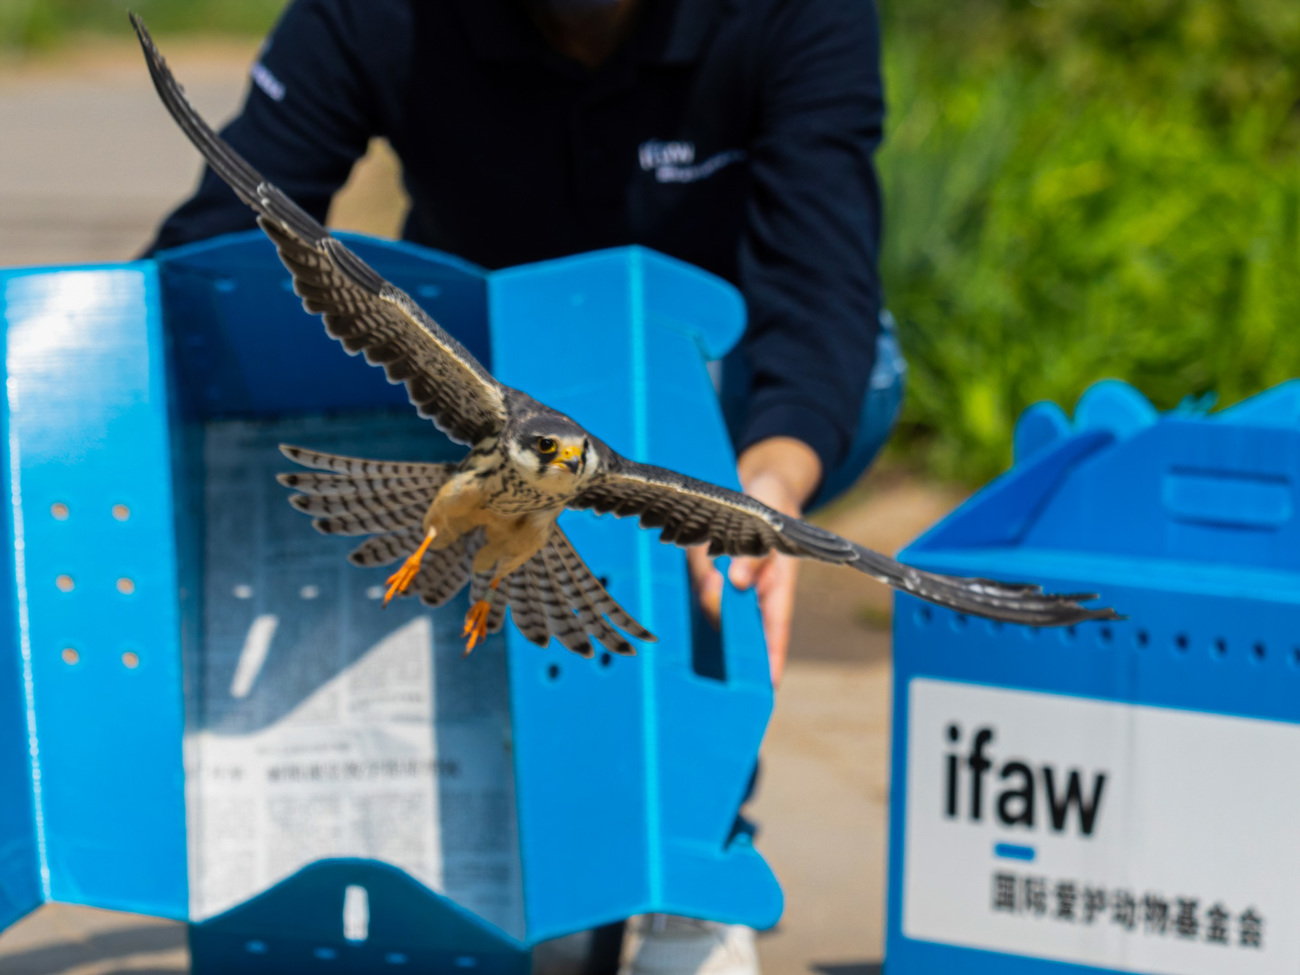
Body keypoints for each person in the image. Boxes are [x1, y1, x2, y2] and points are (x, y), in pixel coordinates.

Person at [147, 1, 900, 971]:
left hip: (715, 366)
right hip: (493, 364)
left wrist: (774, 484)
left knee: (734, 481)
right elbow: (214, 248)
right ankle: (509, 828)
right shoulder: (378, 16)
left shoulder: (796, 16)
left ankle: (687, 855)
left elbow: (821, 283)